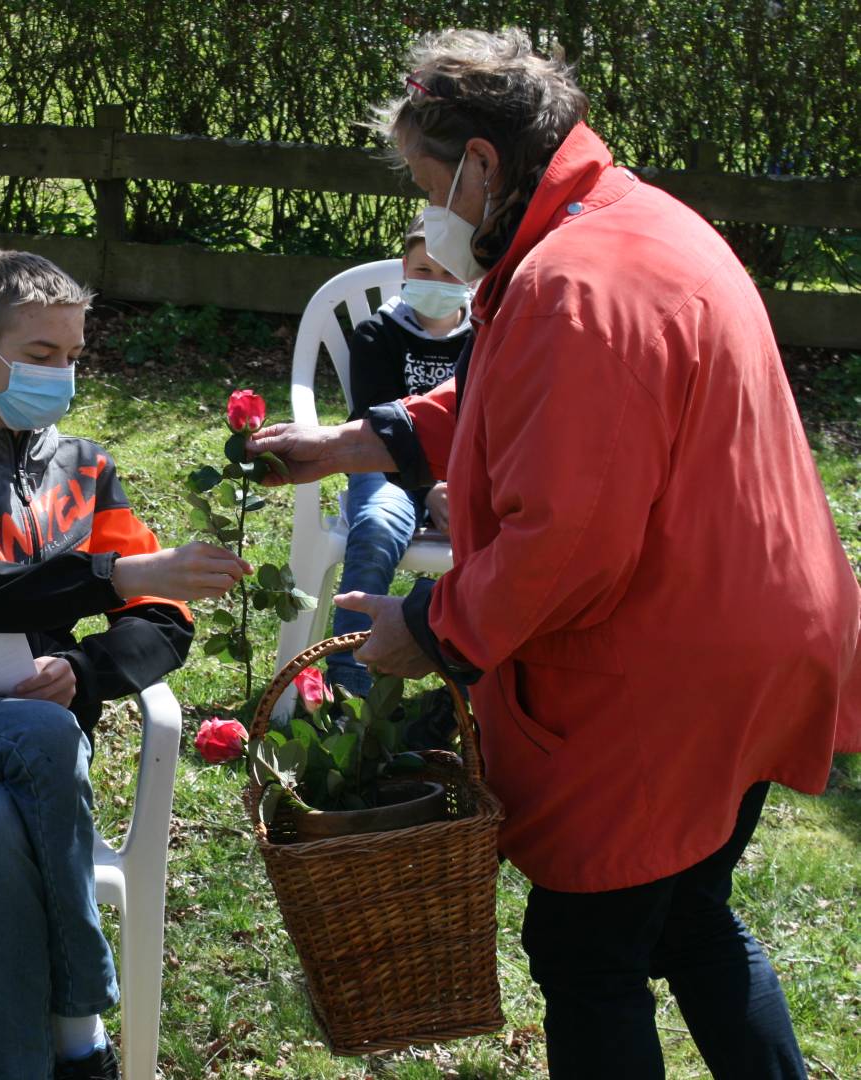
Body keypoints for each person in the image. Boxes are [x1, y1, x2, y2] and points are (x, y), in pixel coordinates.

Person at [246, 28, 860, 1080]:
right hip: (759, 629)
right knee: (686, 917)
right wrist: (359, 443)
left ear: (482, 163)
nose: (426, 209)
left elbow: (567, 540)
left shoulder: (574, 282)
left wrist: (429, 628)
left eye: (426, 181)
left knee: (586, 949)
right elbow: (524, 399)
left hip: (674, 662)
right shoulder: (623, 220)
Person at [0, 249, 250, 1080]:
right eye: (40, 354)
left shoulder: (86, 469)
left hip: (23, 757)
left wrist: (84, 672)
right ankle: (84, 1019)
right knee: (47, 737)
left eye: (72, 355)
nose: (61, 374)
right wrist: (110, 575)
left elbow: (163, 621)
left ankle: (21, 1064)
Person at [327, 210, 470, 702]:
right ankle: (348, 679)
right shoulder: (376, 334)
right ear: (405, 269)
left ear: (470, 277)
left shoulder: (485, 339)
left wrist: (456, 487)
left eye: (449, 272)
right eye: (424, 269)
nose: (436, 282)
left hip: (464, 474)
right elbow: (376, 428)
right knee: (377, 525)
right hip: (386, 469)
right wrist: (428, 489)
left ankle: (466, 697)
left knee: (498, 535)